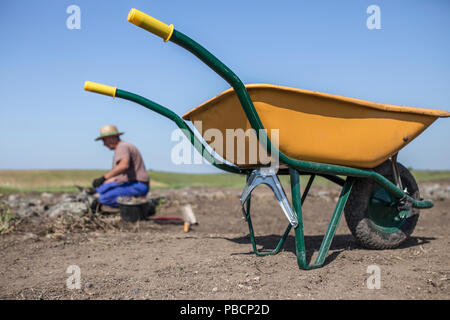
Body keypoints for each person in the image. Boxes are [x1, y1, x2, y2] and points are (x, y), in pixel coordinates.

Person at [90, 125, 150, 211]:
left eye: (104, 140)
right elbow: (117, 178)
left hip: (137, 186)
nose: (104, 144)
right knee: (101, 190)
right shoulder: (123, 147)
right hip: (132, 183)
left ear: (112, 138)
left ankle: (140, 206)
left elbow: (123, 166)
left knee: (104, 198)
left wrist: (103, 178)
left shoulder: (122, 147)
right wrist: (99, 186)